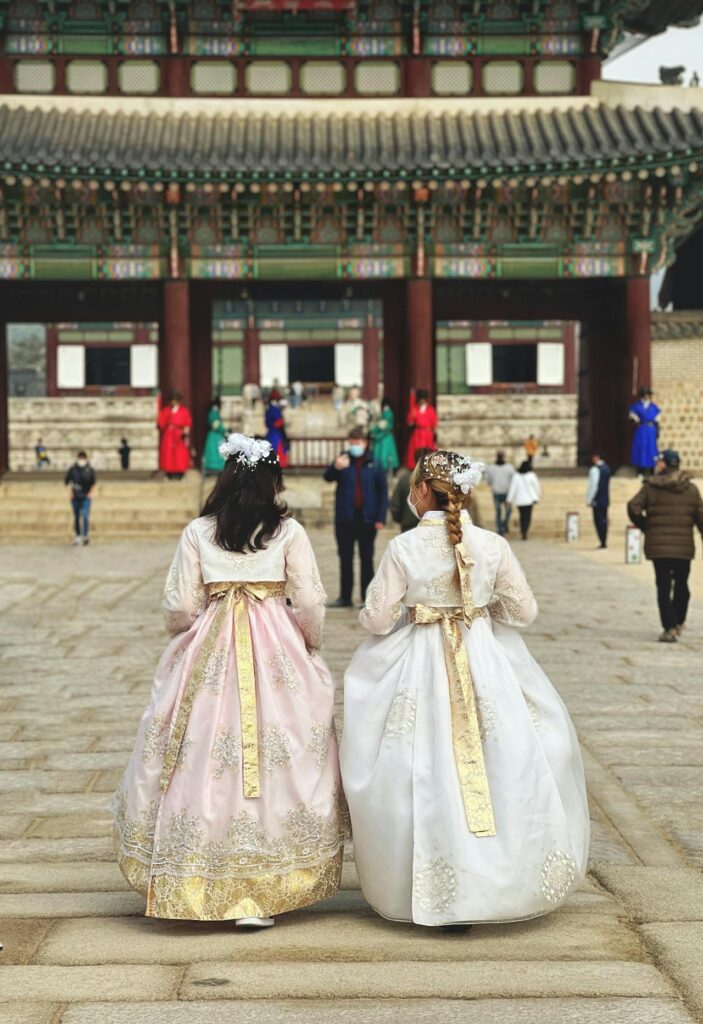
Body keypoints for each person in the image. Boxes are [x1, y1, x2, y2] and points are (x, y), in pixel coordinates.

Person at [341, 449, 589, 927]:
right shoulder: (493, 545)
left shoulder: (404, 548)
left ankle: (433, 878)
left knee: (421, 764)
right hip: (483, 658)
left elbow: (375, 619)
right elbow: (524, 613)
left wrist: (414, 612)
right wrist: (479, 610)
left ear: (420, 492)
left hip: (419, 661)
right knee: (503, 757)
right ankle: (499, 877)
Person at [112, 433, 348, 927]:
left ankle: (201, 871)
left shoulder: (199, 531)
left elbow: (178, 605)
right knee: (276, 748)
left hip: (212, 644)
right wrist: (308, 645)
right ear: (271, 481)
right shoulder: (288, 531)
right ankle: (263, 883)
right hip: (275, 644)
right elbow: (309, 601)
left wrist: (188, 630)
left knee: (202, 754)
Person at [627, 449, 703, 643]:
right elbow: (701, 518)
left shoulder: (651, 487)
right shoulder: (691, 490)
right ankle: (678, 621)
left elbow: (633, 507)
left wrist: (646, 526)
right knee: (682, 584)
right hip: (683, 547)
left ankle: (669, 626)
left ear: (663, 465)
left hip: (659, 546)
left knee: (663, 586)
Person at [323, 426, 388, 608]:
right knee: (345, 558)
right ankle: (345, 597)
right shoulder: (343, 460)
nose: (354, 446)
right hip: (345, 518)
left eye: (357, 443)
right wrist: (335, 467)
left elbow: (382, 492)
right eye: (351, 443)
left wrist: (380, 517)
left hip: (367, 519)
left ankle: (367, 597)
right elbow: (327, 477)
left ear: (365, 443)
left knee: (367, 559)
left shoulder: (374, 463)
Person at [390, 447, 434, 532]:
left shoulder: (405, 479)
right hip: (431, 525)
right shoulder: (437, 480)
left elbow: (395, 505)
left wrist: (403, 519)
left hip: (408, 526)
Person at [157, 391, 192, 480]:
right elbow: (161, 423)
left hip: (179, 434)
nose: (173, 402)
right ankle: (168, 473)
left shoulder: (184, 411)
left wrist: (185, 431)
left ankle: (181, 473)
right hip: (169, 434)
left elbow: (187, 423)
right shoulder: (166, 410)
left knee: (180, 454)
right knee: (168, 453)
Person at [65, 451, 96, 546]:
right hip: (75, 496)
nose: (81, 460)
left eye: (83, 458)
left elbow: (93, 483)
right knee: (77, 516)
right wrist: (70, 493)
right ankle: (78, 536)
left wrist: (91, 493)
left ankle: (85, 536)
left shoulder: (90, 470)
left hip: (86, 496)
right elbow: (67, 482)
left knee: (85, 515)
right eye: (80, 458)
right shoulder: (73, 469)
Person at [629, 386, 661, 476]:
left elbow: (657, 420)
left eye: (648, 394)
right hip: (641, 429)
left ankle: (651, 470)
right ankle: (640, 470)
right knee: (641, 447)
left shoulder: (654, 407)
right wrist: (636, 420)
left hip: (651, 430)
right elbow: (633, 417)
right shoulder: (636, 406)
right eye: (645, 394)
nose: (647, 396)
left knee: (651, 448)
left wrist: (657, 431)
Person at [507, 460, 541, 540]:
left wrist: (509, 499)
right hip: (529, 500)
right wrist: (538, 496)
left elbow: (513, 488)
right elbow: (537, 487)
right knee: (527, 516)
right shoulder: (532, 475)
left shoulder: (516, 476)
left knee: (522, 516)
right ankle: (525, 531)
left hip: (519, 500)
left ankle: (523, 531)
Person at [484, 451, 515, 535]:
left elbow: (488, 481)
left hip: (496, 492)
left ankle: (500, 528)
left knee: (498, 511)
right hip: (507, 492)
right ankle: (505, 522)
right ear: (504, 457)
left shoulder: (491, 468)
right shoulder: (509, 467)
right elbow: (513, 480)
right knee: (508, 510)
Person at [405, 389, 438, 469]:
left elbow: (434, 423)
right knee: (416, 452)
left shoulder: (430, 409)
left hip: (427, 434)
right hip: (417, 434)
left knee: (428, 451)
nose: (422, 401)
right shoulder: (415, 409)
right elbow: (410, 422)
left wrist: (434, 435)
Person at [586, 452, 611, 549]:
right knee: (604, 520)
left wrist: (589, 499)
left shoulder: (595, 470)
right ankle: (604, 540)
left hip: (597, 500)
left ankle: (602, 541)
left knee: (599, 521)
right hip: (605, 499)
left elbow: (593, 486)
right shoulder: (607, 469)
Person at [370, 397, 400, 475]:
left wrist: (373, 430)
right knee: (386, 455)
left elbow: (382, 425)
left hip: (384, 437)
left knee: (383, 455)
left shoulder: (387, 413)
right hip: (385, 436)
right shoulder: (388, 413)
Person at [265, 389, 289, 469]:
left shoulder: (268, 409)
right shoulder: (274, 409)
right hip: (276, 434)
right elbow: (279, 422)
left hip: (270, 434)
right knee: (277, 451)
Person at [203, 397, 227, 475]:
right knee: (215, 452)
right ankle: (216, 469)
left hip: (214, 435)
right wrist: (224, 430)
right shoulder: (214, 412)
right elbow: (216, 425)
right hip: (215, 436)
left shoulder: (213, 412)